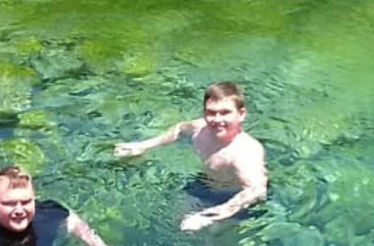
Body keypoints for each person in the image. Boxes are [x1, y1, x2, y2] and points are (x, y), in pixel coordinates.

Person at [114, 81, 267, 232]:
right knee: (176, 225)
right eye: (211, 112)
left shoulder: (246, 152)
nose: (217, 120)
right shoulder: (201, 129)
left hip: (234, 199)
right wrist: (143, 146)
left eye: (225, 112)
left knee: (214, 245)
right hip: (205, 184)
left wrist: (209, 217)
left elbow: (256, 190)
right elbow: (179, 130)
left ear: (241, 114)